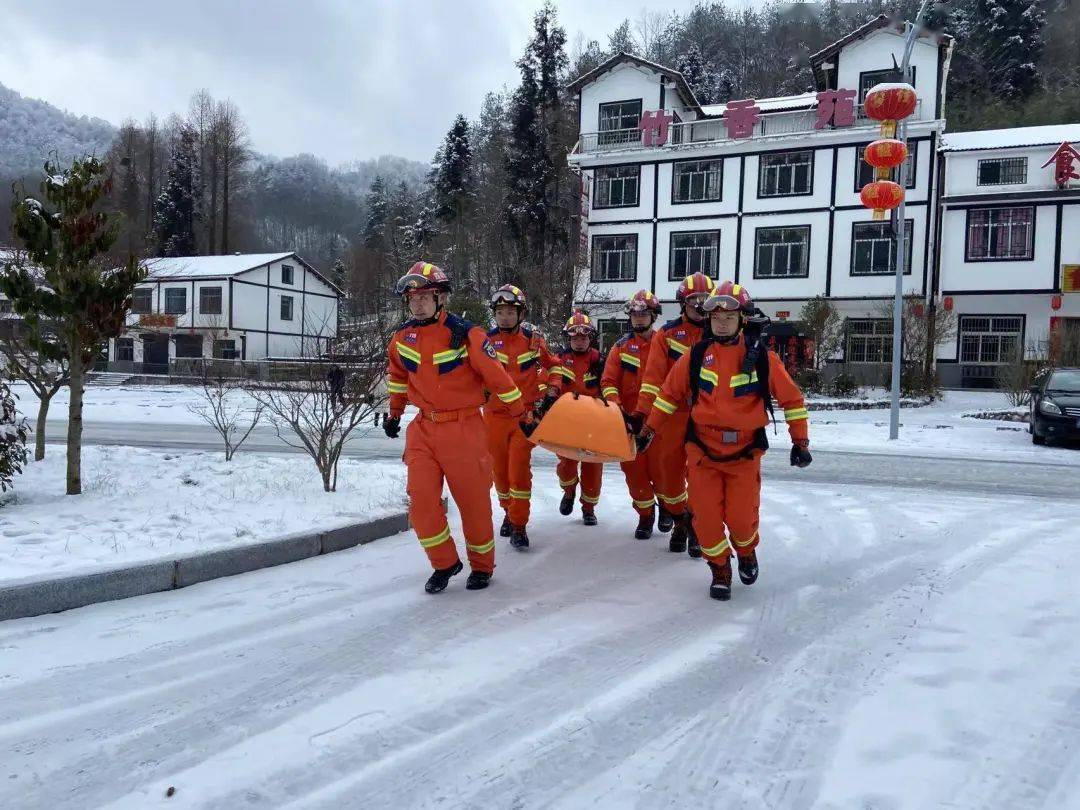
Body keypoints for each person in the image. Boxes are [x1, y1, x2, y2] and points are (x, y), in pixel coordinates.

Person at [637, 281, 812, 601]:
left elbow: (792, 399)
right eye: (715, 317)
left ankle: (746, 552)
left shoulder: (762, 358)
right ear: (708, 319)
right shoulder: (695, 355)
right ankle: (719, 568)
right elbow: (668, 396)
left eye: (729, 317)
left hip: (744, 453)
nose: (721, 322)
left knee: (742, 521)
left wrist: (800, 442)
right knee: (704, 519)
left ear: (742, 319)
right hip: (702, 450)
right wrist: (649, 430)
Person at [383, 262, 530, 594]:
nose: (417, 303)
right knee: (421, 503)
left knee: (473, 504)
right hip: (423, 430)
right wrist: (394, 412)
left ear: (440, 298)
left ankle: (481, 566)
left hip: (464, 428)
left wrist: (522, 414)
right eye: (412, 297)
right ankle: (444, 562)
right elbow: (398, 375)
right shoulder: (402, 337)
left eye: (424, 296)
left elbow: (499, 379)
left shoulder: (467, 335)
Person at [631, 272, 716, 557]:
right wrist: (643, 414)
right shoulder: (667, 335)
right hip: (671, 415)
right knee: (669, 478)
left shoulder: (721, 333)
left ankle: (693, 527)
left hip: (707, 417)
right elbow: (652, 380)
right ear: (683, 303)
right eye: (694, 300)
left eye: (705, 300)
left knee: (701, 477)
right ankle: (679, 518)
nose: (700, 305)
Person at [483, 284, 559, 551]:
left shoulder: (534, 341)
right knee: (500, 474)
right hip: (493, 416)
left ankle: (519, 525)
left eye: (510, 312)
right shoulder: (485, 342)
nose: (505, 317)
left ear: (521, 314)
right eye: (500, 312)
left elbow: (555, 366)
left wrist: (552, 390)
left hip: (525, 417)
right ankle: (507, 510)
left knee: (519, 471)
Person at [600, 289, 665, 540]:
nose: (639, 318)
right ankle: (646, 515)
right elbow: (608, 381)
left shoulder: (665, 344)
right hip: (628, 422)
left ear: (653, 316)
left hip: (660, 421)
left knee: (664, 471)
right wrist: (618, 408)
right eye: (635, 314)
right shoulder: (620, 348)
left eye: (644, 313)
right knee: (634, 474)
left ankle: (670, 509)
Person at [541, 311, 605, 526]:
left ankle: (589, 509)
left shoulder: (599, 360)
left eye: (584, 338)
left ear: (590, 338)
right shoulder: (559, 360)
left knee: (593, 470)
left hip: (594, 424)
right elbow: (547, 381)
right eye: (575, 338)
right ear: (569, 338)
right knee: (567, 466)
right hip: (567, 422)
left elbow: (609, 386)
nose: (579, 342)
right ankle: (568, 492)